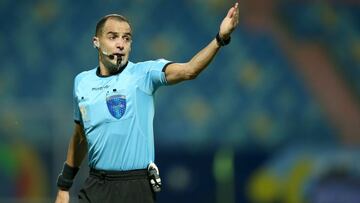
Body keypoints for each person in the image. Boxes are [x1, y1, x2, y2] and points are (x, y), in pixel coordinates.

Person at [55, 2, 239, 203]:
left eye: (126, 38)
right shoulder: (82, 82)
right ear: (96, 42)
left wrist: (220, 38)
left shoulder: (144, 73)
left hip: (136, 186)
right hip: (96, 184)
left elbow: (190, 70)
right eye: (112, 36)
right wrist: (64, 186)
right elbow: (80, 136)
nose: (121, 44)